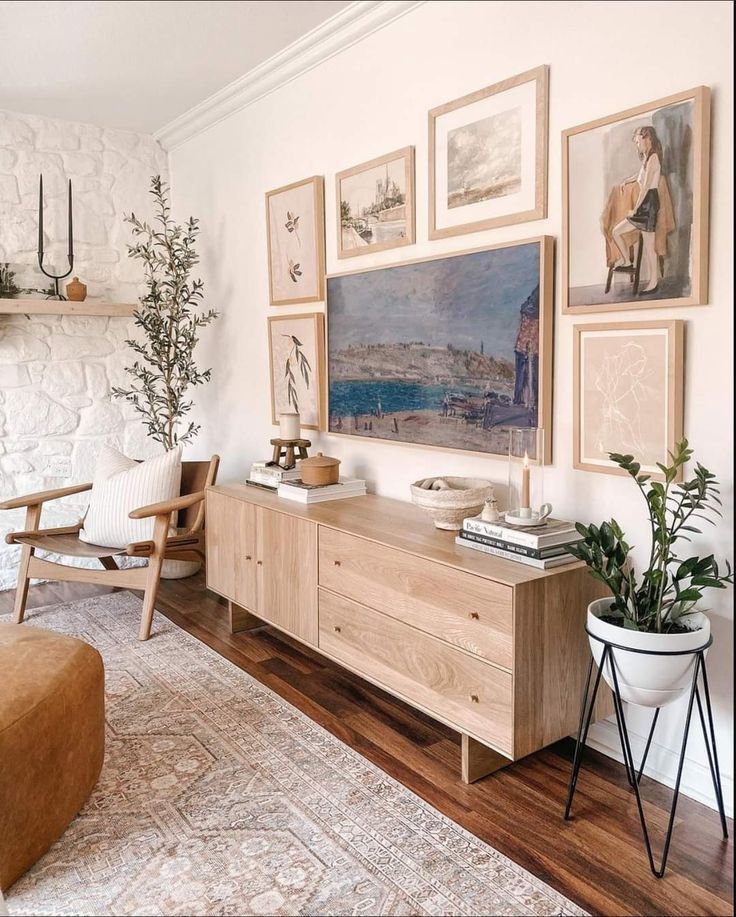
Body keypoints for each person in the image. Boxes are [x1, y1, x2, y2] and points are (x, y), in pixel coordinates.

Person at [612, 126, 663, 295]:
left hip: (649, 203)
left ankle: (653, 282)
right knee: (616, 232)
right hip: (646, 203)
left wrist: (635, 209)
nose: (636, 145)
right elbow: (640, 176)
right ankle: (627, 260)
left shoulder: (654, 158)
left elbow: (647, 186)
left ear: (646, 138)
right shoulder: (647, 158)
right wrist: (626, 181)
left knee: (649, 247)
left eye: (637, 141)